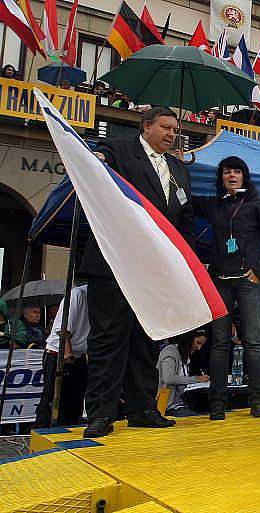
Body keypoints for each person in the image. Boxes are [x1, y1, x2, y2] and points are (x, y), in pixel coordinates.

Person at [81, 106, 195, 438]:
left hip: (154, 272)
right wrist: (98, 157)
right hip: (116, 263)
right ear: (146, 127)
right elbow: (96, 158)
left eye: (175, 129)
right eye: (166, 127)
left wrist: (181, 259)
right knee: (108, 339)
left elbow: (184, 220)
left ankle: (142, 408)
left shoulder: (177, 169)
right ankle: (101, 414)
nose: (172, 134)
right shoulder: (118, 149)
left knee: (148, 340)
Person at [192, 156, 260, 420]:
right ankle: (217, 403)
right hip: (220, 279)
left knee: (252, 341)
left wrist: (259, 272)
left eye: (237, 172)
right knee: (219, 342)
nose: (232, 176)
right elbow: (184, 197)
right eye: (227, 172)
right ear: (220, 178)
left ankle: (257, 401)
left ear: (245, 176)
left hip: (248, 281)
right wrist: (180, 163)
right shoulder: (214, 205)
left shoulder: (257, 205)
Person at [34, 285, 89, 428]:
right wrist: (67, 352)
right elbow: (63, 328)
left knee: (75, 400)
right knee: (53, 399)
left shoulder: (102, 300)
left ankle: (69, 428)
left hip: (79, 354)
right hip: (58, 352)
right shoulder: (77, 294)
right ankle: (44, 428)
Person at [157, 330, 209, 417]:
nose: (199, 348)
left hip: (182, 404)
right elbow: (169, 378)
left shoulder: (186, 356)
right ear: (189, 339)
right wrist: (196, 379)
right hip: (168, 406)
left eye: (201, 345)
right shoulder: (170, 352)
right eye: (198, 343)